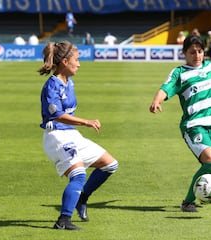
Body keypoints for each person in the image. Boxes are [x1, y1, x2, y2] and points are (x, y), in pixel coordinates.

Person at [149, 35, 211, 212]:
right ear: (184, 53)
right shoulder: (179, 73)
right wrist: (157, 100)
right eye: (192, 52)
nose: (197, 55)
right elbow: (165, 88)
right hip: (194, 126)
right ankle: (188, 202)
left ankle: (205, 191)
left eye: (200, 52)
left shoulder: (209, 67)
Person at [38, 41, 119, 230]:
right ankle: (63, 220)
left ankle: (82, 197)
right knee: (78, 175)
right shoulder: (52, 85)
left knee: (110, 165)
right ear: (65, 61)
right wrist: (86, 121)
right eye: (77, 60)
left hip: (71, 135)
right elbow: (56, 115)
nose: (79, 64)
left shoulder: (69, 81)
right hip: (56, 137)